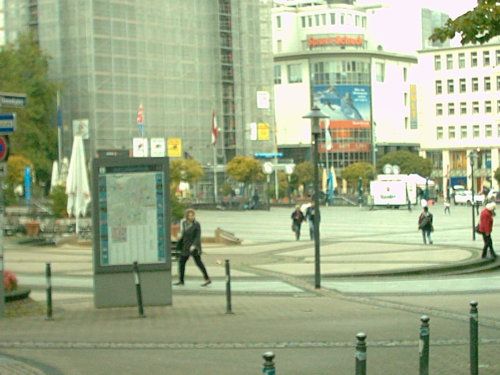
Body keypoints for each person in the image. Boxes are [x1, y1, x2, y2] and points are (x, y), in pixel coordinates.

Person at [174, 209, 211, 286]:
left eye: (192, 215)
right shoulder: (184, 223)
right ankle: (181, 280)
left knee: (199, 263)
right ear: (186, 216)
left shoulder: (197, 224)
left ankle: (207, 279)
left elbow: (197, 236)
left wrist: (194, 245)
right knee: (181, 263)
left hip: (194, 247)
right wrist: (179, 239)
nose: (191, 217)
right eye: (189, 215)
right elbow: (183, 234)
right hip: (185, 246)